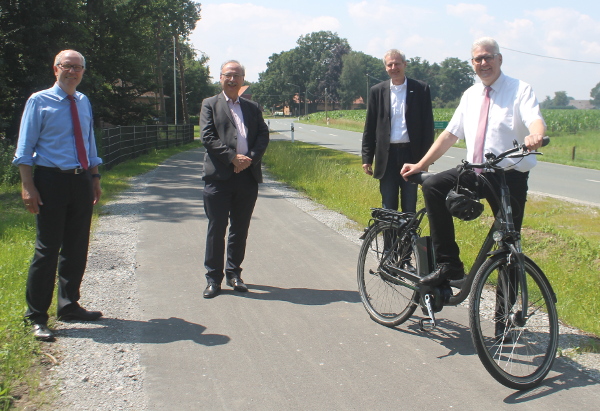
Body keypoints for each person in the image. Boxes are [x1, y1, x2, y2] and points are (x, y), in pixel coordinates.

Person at [401, 37, 546, 287]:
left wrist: (536, 135)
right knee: (433, 185)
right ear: (473, 63)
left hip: (508, 177)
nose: (483, 62)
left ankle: (505, 319)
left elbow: (534, 119)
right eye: (478, 59)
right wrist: (421, 164)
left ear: (499, 59)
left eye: (488, 57)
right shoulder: (470, 94)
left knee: (509, 246)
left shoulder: (519, 89)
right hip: (475, 173)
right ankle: (450, 266)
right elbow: (450, 134)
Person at [13, 50, 103, 341]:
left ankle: (69, 305)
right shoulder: (39, 101)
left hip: (80, 180)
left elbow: (89, 142)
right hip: (50, 180)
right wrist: (28, 186)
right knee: (47, 248)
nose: (72, 72)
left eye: (78, 68)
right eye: (67, 66)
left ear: (83, 72)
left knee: (77, 246)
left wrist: (95, 177)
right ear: (56, 69)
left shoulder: (83, 100)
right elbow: (25, 149)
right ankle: (37, 315)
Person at [200, 60, 269, 298]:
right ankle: (213, 279)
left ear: (242, 79)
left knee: (240, 229)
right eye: (228, 75)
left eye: (237, 76)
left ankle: (234, 274)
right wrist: (232, 158)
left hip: (247, 177)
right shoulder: (210, 104)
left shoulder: (252, 107)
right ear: (220, 78)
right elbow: (208, 136)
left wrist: (249, 159)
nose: (232, 80)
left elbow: (262, 135)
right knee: (216, 228)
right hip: (218, 178)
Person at [362, 49, 434, 213]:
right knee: (388, 205)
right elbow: (370, 127)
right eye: (390, 64)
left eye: (397, 63)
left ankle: (408, 239)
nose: (394, 67)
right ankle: (390, 239)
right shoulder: (377, 91)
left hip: (411, 156)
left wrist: (426, 161)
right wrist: (367, 158)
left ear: (404, 64)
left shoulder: (421, 89)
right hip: (386, 158)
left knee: (410, 205)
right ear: (385, 68)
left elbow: (427, 127)